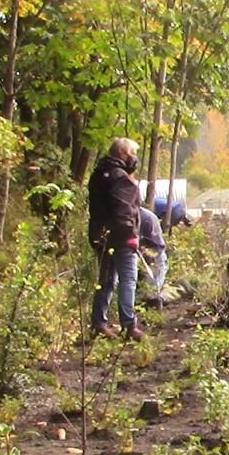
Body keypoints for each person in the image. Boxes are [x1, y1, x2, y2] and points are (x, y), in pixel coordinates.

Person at [88, 136, 144, 340]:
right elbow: (124, 209)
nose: (134, 158)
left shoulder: (97, 175)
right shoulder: (120, 177)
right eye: (133, 153)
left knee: (105, 281)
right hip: (122, 238)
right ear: (122, 154)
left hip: (100, 236)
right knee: (128, 280)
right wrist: (131, 235)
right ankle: (129, 326)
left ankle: (98, 324)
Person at [137, 207, 169, 307]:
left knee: (151, 293)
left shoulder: (145, 217)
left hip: (154, 254)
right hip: (146, 253)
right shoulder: (139, 215)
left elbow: (155, 247)